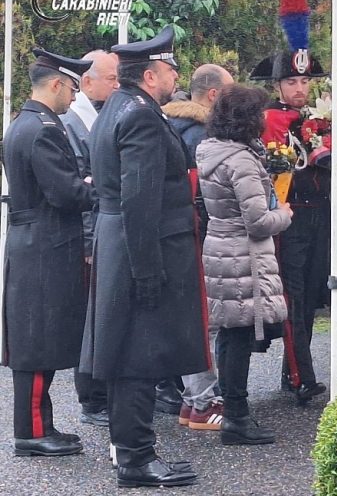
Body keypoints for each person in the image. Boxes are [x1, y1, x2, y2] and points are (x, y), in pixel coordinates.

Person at [80, 26, 209, 488]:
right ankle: (136, 459)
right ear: (152, 75)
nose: (176, 76)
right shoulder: (140, 117)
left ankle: (133, 453)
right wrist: (148, 270)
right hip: (140, 248)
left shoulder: (117, 106)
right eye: (171, 69)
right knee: (136, 357)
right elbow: (139, 199)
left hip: (122, 244)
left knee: (125, 355)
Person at [2, 48, 95, 456]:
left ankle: (42, 425)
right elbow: (65, 193)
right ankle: (32, 431)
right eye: (73, 88)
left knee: (36, 335)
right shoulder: (43, 128)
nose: (75, 97)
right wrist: (96, 186)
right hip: (45, 242)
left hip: (34, 239)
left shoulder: (23, 123)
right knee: (36, 339)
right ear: (56, 83)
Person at [196, 84, 293, 445]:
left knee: (229, 334)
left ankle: (233, 412)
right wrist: (283, 214)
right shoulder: (240, 160)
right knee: (237, 337)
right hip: (242, 254)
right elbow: (257, 221)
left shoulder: (211, 151)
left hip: (221, 246)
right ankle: (237, 418)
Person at [251, 0, 329, 404]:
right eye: (292, 81)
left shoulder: (323, 117)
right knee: (294, 297)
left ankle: (293, 371)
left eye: (305, 81)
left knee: (312, 296)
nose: (300, 88)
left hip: (321, 214)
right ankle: (301, 376)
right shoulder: (270, 119)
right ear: (278, 84)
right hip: (290, 217)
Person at [164, 63, 234, 430]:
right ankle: (202, 402)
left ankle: (193, 402)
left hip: (176, 235)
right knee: (203, 322)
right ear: (213, 96)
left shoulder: (170, 126)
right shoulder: (200, 137)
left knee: (193, 318)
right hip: (198, 235)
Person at [60, 49, 119, 428]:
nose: (116, 85)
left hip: (99, 231)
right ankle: (91, 399)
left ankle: (102, 394)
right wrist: (87, 244)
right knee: (89, 318)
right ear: (87, 82)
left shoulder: (94, 115)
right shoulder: (72, 122)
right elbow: (81, 189)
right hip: (89, 234)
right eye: (111, 78)